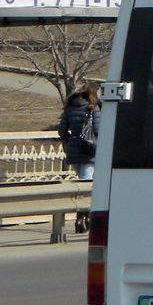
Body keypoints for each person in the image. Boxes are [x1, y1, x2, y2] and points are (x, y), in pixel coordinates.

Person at [58, 82, 101, 232]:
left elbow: (62, 129)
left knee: (81, 183)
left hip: (74, 149)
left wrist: (70, 139)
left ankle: (81, 219)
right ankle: (82, 218)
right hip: (89, 150)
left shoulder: (70, 108)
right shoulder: (93, 108)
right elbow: (98, 129)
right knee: (87, 185)